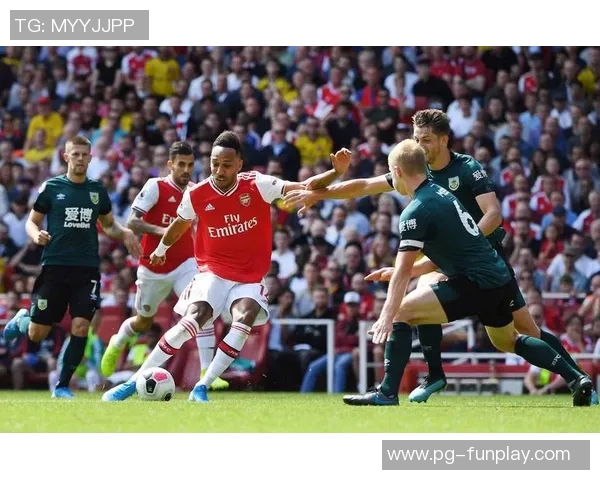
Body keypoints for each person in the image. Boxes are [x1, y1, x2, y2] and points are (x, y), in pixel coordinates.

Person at [284, 109, 597, 406]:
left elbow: (493, 214)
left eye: (426, 139)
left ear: (444, 139)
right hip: (469, 264)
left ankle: (390, 391)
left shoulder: (463, 169)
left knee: (524, 329)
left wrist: (463, 246)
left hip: (480, 259)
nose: (420, 144)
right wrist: (320, 193)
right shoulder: (419, 172)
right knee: (460, 313)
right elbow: (365, 185)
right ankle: (435, 375)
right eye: (416, 139)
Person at [102, 131, 351, 402]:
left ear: (239, 165)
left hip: (249, 277)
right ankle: (132, 383)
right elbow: (179, 225)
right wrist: (161, 250)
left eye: (226, 165)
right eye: (215, 163)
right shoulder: (197, 193)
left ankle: (202, 386)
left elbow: (304, 185)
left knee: (244, 318)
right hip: (213, 271)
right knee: (193, 320)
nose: (219, 170)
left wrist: (335, 172)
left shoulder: (257, 184)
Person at [2, 135, 141, 399]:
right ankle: (22, 320)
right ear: (66, 157)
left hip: (86, 269)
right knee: (37, 333)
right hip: (55, 266)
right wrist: (36, 235)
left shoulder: (97, 191)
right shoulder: (51, 187)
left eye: (84, 155)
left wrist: (124, 233)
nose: (79, 159)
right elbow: (32, 221)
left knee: (81, 327)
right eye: (75, 154)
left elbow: (108, 225)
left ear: (90, 158)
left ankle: (62, 386)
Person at [99, 140, 229, 390]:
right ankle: (118, 341)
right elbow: (133, 222)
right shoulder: (155, 186)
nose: (186, 170)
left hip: (185, 263)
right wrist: (167, 232)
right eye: (181, 164)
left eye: (190, 165)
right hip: (153, 266)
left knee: (203, 308)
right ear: (170, 164)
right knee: (143, 322)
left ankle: (207, 372)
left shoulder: (195, 191)